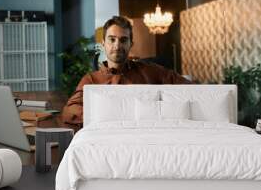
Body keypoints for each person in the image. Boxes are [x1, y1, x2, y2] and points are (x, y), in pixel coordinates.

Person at [60, 16, 191, 131]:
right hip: (107, 138)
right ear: (103, 43)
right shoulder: (91, 80)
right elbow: (69, 111)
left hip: (145, 136)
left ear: (131, 44)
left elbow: (189, 88)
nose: (117, 46)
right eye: (112, 39)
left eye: (123, 40)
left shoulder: (150, 71)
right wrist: (108, 115)